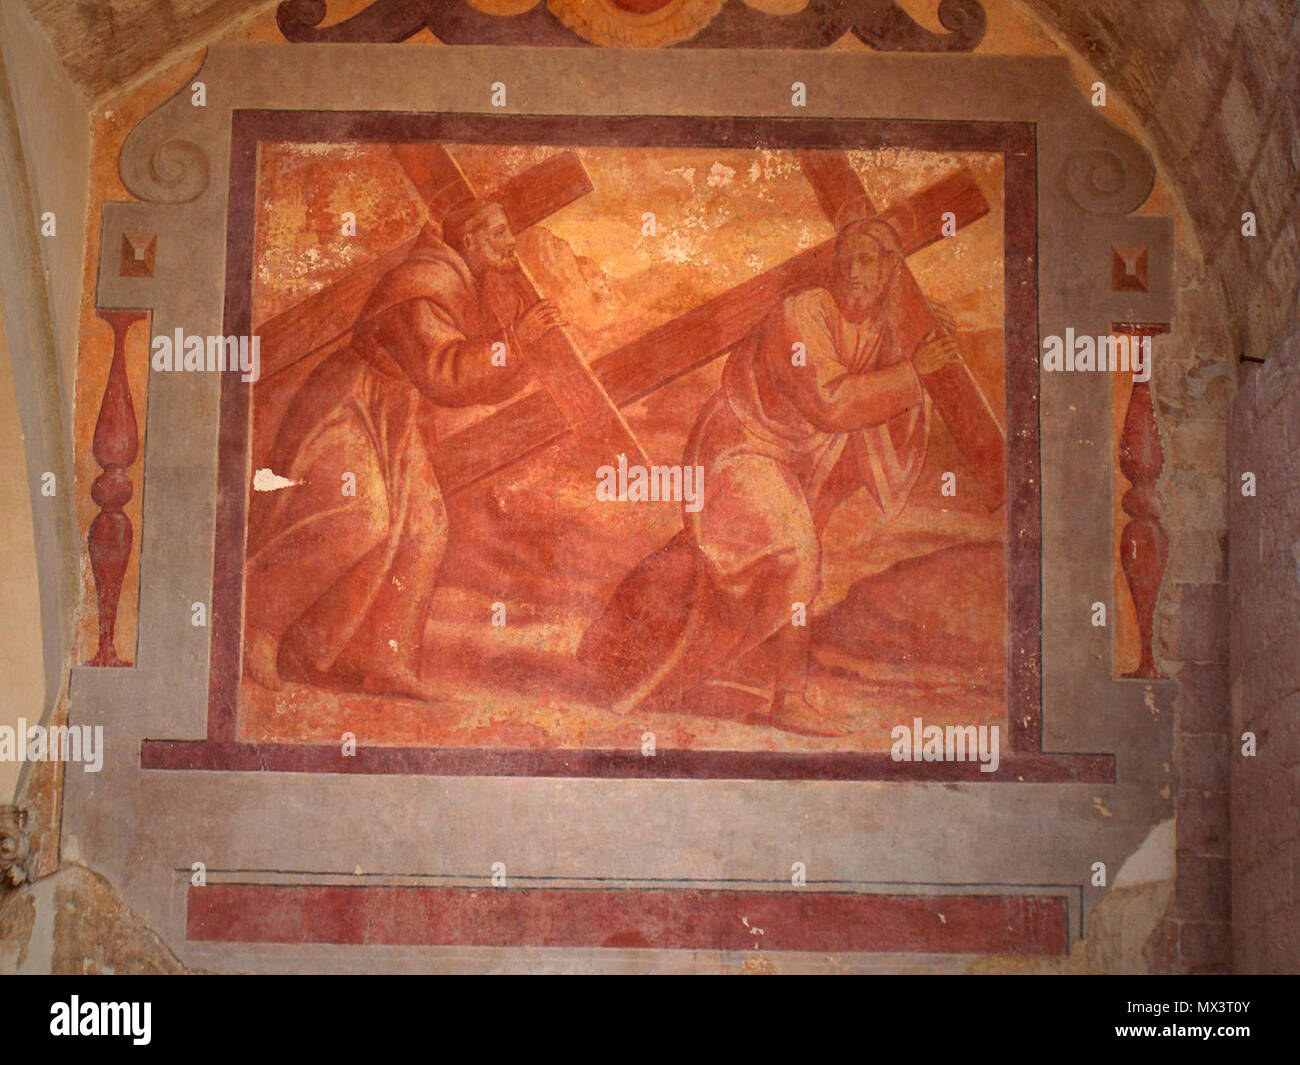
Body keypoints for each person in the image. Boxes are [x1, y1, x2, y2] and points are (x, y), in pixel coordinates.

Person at [578, 216, 961, 735]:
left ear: (891, 269)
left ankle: (620, 652)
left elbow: (886, 388)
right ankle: (790, 697)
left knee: (721, 566)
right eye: (845, 257)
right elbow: (830, 402)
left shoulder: (878, 326)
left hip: (792, 460)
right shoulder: (801, 314)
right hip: (739, 451)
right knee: (795, 553)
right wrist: (912, 373)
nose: (852, 269)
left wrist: (917, 344)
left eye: (867, 259)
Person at [243, 199, 563, 699]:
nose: (510, 242)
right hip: (348, 403)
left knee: (425, 527)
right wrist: (515, 345)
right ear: (471, 240)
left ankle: (380, 657)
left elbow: (474, 382)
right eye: (499, 233)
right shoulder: (423, 284)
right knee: (358, 515)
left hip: (393, 408)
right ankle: (257, 627)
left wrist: (523, 348)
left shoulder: (467, 286)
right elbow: (444, 373)